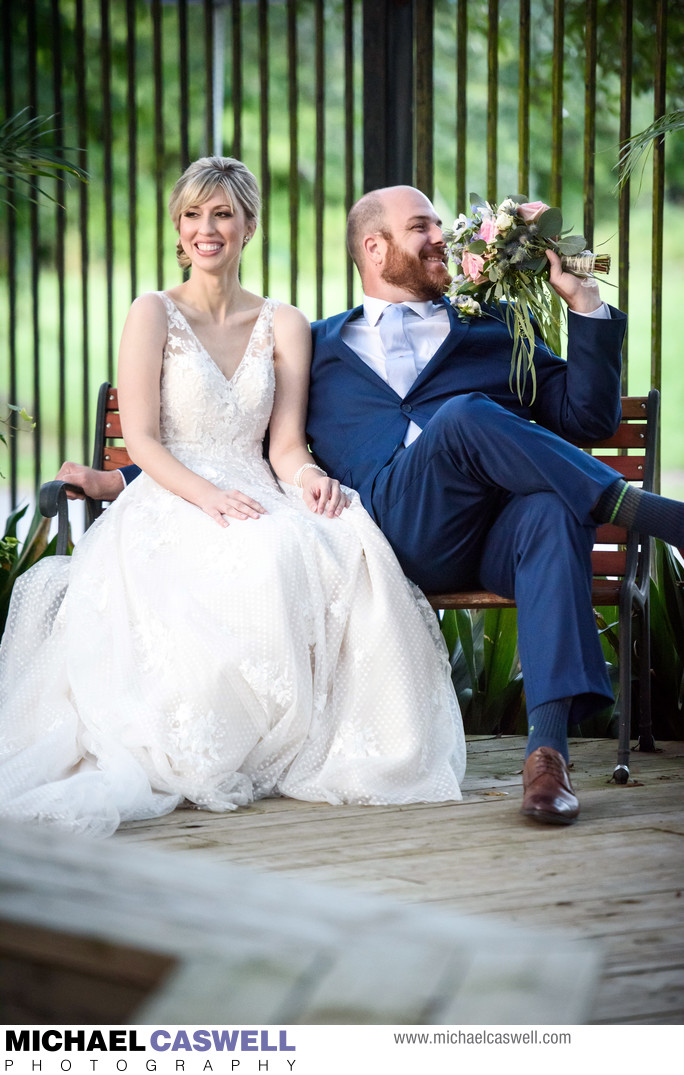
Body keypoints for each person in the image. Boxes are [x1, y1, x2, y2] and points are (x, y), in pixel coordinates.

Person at [52, 184, 684, 827]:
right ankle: (662, 519)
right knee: (464, 416)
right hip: (388, 532)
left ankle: (546, 755)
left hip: (495, 534)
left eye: (441, 225)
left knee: (550, 511)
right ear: (375, 247)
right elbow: (236, 439)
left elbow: (589, 417)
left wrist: (585, 304)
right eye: (423, 227)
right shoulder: (318, 345)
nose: (442, 238)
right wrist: (120, 479)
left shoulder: (495, 331)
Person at [0, 162, 465, 838]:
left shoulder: (285, 323)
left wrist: (308, 480)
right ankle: (203, 745)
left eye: (221, 214)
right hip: (172, 492)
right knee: (237, 555)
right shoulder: (151, 312)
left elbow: (284, 447)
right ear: (178, 230)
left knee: (329, 540)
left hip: (257, 484)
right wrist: (208, 497)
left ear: (249, 224)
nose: (206, 229)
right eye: (192, 215)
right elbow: (145, 442)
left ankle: (313, 742)